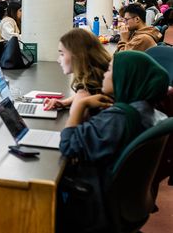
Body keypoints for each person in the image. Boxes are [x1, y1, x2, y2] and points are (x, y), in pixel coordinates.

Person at [57, 51, 168, 232]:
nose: (104, 74)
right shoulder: (149, 111)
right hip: (125, 202)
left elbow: (69, 146)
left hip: (95, 203)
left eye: (109, 70)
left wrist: (79, 106)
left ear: (125, 76)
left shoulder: (118, 118)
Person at [44, 29, 111, 111]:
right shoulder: (98, 78)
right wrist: (65, 102)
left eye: (62, 54)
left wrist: (79, 102)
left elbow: (72, 123)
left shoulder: (85, 91)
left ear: (77, 56)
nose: (58, 60)